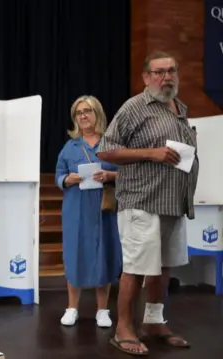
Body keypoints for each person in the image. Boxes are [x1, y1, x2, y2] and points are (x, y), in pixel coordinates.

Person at [97, 51, 198, 356]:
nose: (166, 77)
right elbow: (106, 149)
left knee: (162, 266)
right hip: (142, 200)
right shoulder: (135, 107)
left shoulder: (179, 108)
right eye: (158, 72)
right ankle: (123, 329)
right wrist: (151, 153)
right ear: (145, 77)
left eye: (171, 70)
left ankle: (154, 321)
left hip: (173, 201)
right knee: (137, 267)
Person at [55, 95, 122, 328]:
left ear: (98, 114)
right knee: (76, 254)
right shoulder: (70, 146)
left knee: (104, 254)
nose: (83, 116)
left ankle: (102, 310)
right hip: (76, 209)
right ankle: (72, 307)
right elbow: (58, 176)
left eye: (87, 111)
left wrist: (110, 176)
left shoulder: (111, 144)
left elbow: (126, 174)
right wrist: (67, 179)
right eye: (78, 113)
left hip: (104, 209)